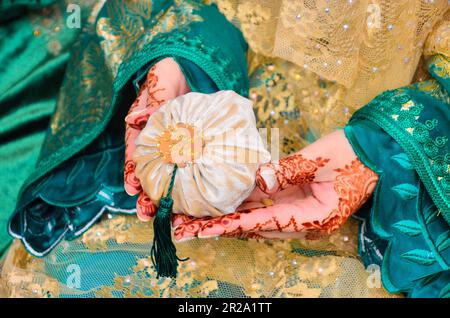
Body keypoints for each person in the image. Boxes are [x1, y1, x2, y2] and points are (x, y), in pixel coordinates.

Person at [0, 0, 448, 298]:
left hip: (375, 184)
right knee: (54, 278)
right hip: (201, 106)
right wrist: (183, 57)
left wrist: (385, 145)